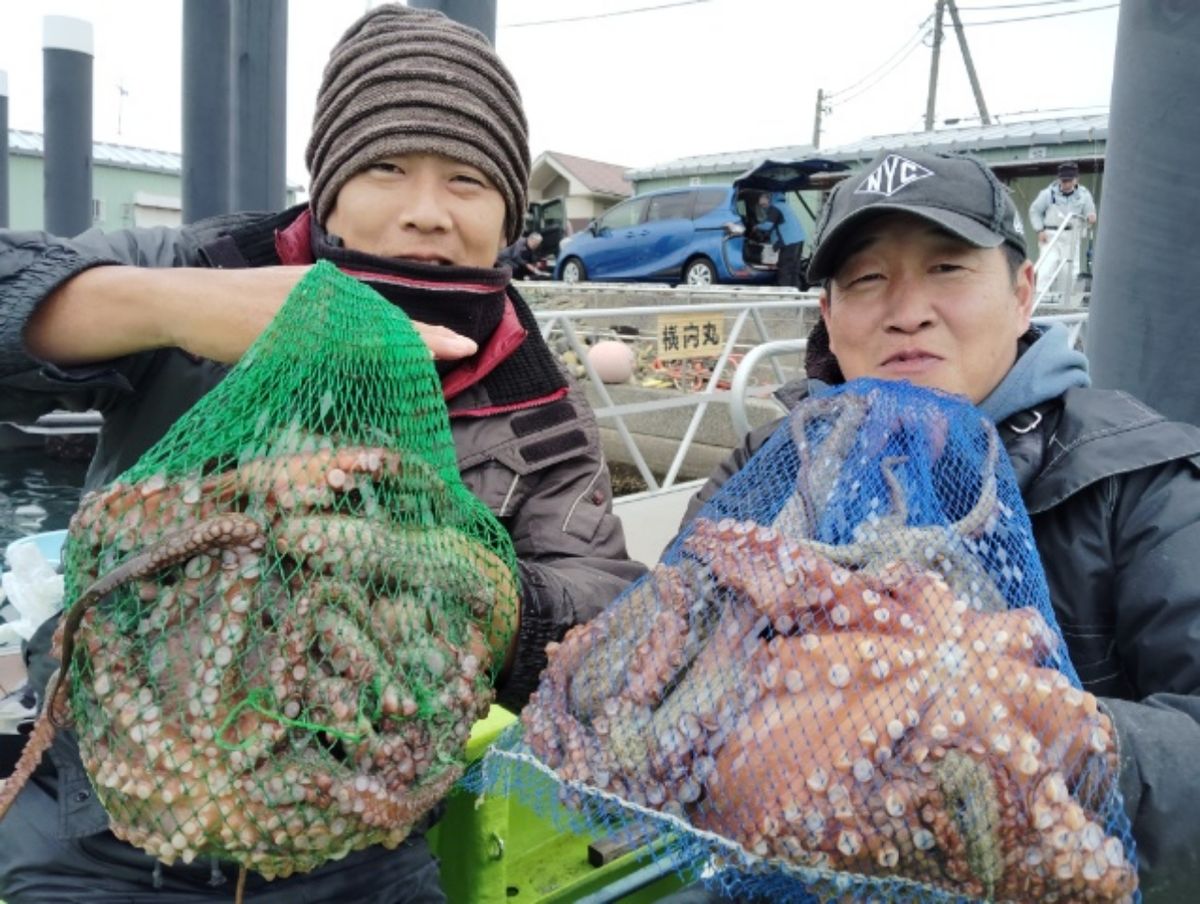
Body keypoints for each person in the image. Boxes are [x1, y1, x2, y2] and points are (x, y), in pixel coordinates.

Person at [0, 5, 645, 902]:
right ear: (329, 189)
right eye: (385, 168)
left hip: (359, 841)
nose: (426, 213)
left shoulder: (530, 394)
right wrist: (171, 308)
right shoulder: (211, 265)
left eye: (467, 179)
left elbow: (606, 613)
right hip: (100, 828)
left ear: (507, 216)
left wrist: (474, 586)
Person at [661, 149, 1200, 902]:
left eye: (947, 268)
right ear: (828, 316)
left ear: (1022, 294)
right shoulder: (772, 467)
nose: (906, 310)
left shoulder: (1136, 480)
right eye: (867, 280)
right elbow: (663, 657)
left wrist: (1058, 734)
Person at [1029, 160, 1098, 244]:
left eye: (1069, 180)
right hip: (1050, 236)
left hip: (1072, 237)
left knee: (1070, 258)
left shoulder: (1084, 195)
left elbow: (1089, 212)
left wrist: (1091, 216)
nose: (1066, 184)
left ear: (1076, 179)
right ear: (1059, 180)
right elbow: (1035, 211)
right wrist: (1039, 230)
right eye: (1064, 181)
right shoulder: (1047, 194)